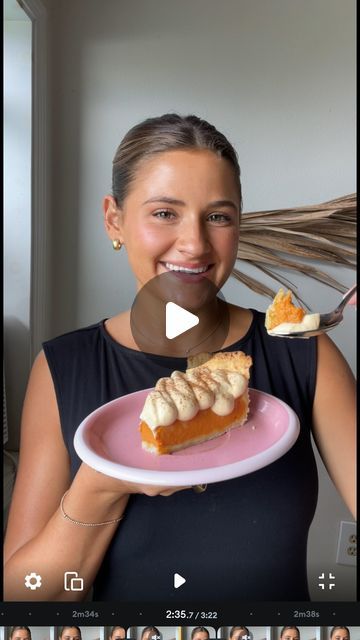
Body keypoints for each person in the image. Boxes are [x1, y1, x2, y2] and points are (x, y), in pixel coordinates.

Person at [3, 113, 356, 602]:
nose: (194, 244)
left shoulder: (302, 352)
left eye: (218, 216)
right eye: (165, 213)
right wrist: (101, 487)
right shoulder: (64, 366)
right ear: (114, 220)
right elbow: (23, 596)